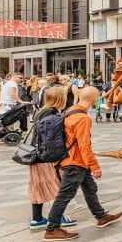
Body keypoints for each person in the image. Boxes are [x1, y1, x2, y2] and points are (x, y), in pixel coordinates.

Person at [43, 86, 122, 241]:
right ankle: (52, 229)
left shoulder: (71, 110)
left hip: (70, 158)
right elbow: (84, 145)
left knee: (89, 187)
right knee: (65, 195)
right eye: (98, 98)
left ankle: (101, 216)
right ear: (95, 99)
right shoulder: (83, 118)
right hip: (75, 161)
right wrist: (94, 166)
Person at [27, 86, 78, 230]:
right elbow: (51, 140)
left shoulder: (41, 111)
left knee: (38, 185)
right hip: (46, 157)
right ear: (60, 99)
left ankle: (37, 219)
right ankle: (58, 217)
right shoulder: (52, 114)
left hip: (35, 155)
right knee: (59, 186)